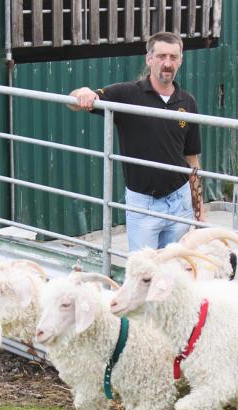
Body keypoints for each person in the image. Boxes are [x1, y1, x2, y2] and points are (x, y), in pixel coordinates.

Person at [67, 31, 203, 252]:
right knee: (144, 274)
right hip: (143, 205)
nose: (167, 63)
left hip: (180, 203)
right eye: (161, 56)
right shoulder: (127, 94)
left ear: (180, 60)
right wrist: (83, 92)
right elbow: (74, 102)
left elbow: (192, 158)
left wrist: (198, 208)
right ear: (149, 59)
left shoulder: (187, 102)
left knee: (175, 271)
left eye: (173, 57)